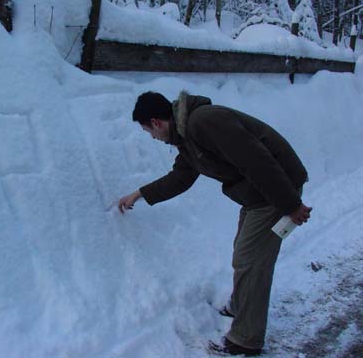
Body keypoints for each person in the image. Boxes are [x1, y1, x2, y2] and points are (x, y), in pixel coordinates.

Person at [118, 91, 312, 356]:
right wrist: (139, 194)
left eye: (147, 131)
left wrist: (291, 205)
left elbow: (257, 161)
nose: (151, 137)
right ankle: (241, 305)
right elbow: (180, 178)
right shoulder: (186, 136)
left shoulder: (204, 122)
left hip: (276, 188)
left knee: (252, 260)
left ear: (156, 122)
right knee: (243, 254)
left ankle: (246, 338)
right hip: (258, 194)